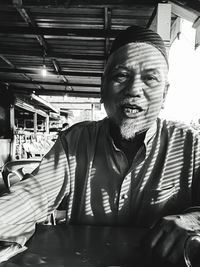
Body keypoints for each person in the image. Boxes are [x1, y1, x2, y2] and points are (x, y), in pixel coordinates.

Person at [0, 25, 200, 265]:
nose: (134, 90)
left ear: (165, 94)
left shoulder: (191, 146)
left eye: (150, 79)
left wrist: (192, 220)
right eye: (121, 76)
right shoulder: (75, 143)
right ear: (102, 87)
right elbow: (31, 198)